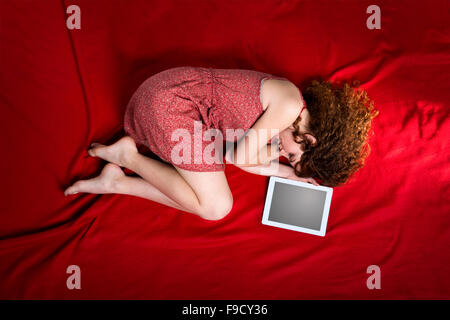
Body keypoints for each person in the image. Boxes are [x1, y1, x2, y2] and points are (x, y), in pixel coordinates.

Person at [64, 66, 379, 221]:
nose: (283, 154)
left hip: (180, 115)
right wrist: (286, 172)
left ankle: (117, 179)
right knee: (217, 207)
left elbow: (242, 156)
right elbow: (240, 158)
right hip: (168, 105)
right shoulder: (286, 107)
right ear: (309, 139)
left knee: (214, 206)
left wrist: (291, 173)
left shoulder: (287, 120)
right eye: (292, 154)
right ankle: (127, 161)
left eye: (286, 158)